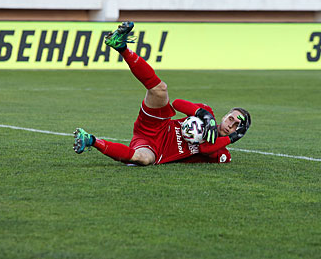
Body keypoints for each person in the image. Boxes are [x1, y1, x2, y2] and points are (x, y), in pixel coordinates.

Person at [73, 21, 251, 166]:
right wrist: (204, 115)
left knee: (143, 159)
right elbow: (178, 104)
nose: (230, 125)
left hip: (156, 150)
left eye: (236, 126)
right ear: (225, 116)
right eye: (230, 118)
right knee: (160, 90)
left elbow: (205, 149)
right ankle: (121, 47)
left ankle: (90, 140)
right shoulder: (208, 112)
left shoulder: (223, 153)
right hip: (157, 126)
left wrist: (232, 138)